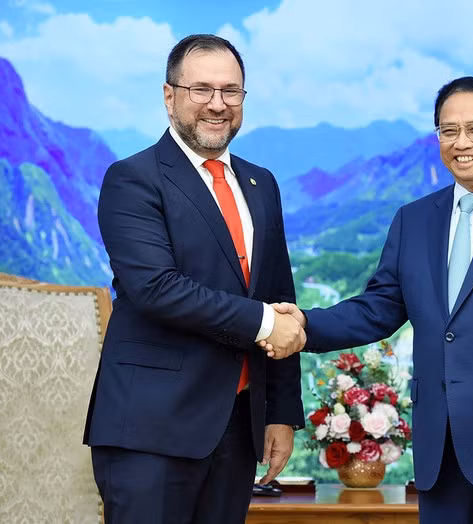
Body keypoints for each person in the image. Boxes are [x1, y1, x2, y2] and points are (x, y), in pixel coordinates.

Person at [267, 77, 473, 523]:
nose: (461, 143)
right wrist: (303, 325)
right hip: (441, 457)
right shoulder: (414, 220)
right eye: (449, 131)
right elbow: (378, 308)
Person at [83, 34, 306, 524]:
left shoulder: (261, 183)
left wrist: (280, 412)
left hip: (238, 426)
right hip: (151, 430)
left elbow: (279, 297)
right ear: (170, 96)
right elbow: (156, 288)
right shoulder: (133, 178)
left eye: (231, 91)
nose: (217, 104)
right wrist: (266, 323)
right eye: (201, 89)